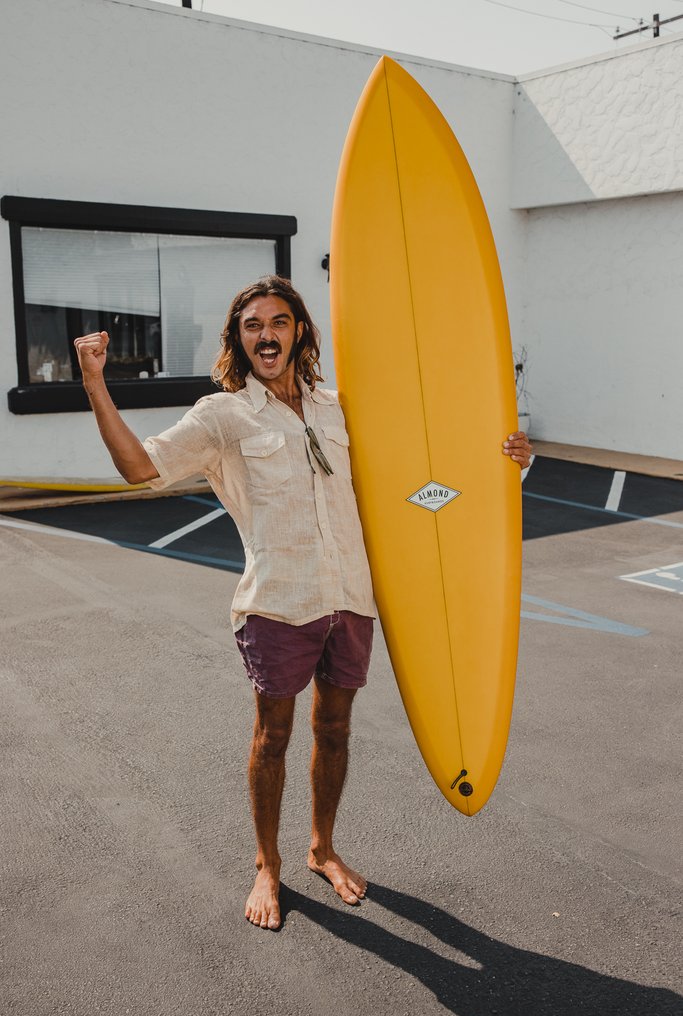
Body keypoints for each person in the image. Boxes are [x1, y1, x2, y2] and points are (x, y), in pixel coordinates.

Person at [74, 275, 532, 932]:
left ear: (299, 333)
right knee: (273, 737)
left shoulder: (339, 408)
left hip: (350, 598)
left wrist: (505, 458)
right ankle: (267, 863)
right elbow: (138, 467)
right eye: (253, 325)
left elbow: (423, 466)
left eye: (278, 322)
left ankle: (322, 848)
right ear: (239, 339)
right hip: (278, 604)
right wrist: (94, 381)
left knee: (336, 729)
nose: (266, 335)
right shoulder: (223, 415)